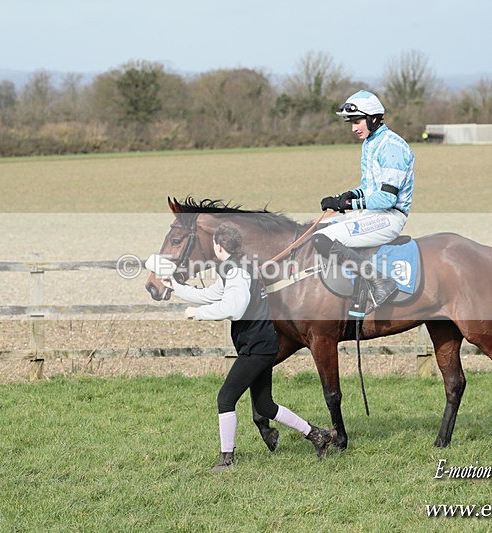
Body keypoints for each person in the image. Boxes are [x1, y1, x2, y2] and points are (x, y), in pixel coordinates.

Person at [161, 222, 335, 471]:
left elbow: (234, 308)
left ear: (218, 246)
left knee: (225, 399)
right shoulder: (237, 266)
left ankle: (226, 460)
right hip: (260, 345)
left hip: (256, 348)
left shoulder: (237, 272)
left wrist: (197, 314)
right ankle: (318, 435)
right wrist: (177, 288)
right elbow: (214, 294)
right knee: (266, 406)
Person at [313, 89, 416, 309]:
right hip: (373, 213)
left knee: (322, 239)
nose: (354, 128)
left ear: (374, 118)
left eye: (357, 121)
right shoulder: (371, 142)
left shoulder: (391, 147)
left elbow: (387, 198)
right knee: (316, 230)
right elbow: (369, 187)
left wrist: (348, 204)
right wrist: (347, 196)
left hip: (389, 217)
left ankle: (380, 281)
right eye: (351, 122)